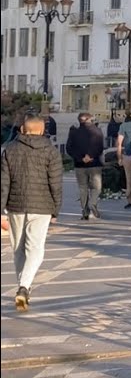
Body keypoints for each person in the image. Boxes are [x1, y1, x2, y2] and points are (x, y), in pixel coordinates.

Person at [0, 116, 63, 312]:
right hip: (42, 206)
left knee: (18, 248)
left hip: (15, 205)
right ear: (43, 130)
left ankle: (23, 287)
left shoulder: (10, 149)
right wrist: (56, 208)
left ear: (23, 129)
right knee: (35, 248)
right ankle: (24, 287)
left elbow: (3, 183)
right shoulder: (51, 151)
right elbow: (56, 182)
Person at [66, 113, 105, 220]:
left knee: (83, 188)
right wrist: (91, 156)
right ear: (89, 119)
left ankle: (85, 210)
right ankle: (93, 203)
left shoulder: (74, 132)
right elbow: (100, 147)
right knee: (96, 187)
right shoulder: (97, 131)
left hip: (79, 165)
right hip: (94, 164)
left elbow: (69, 148)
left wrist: (80, 158)